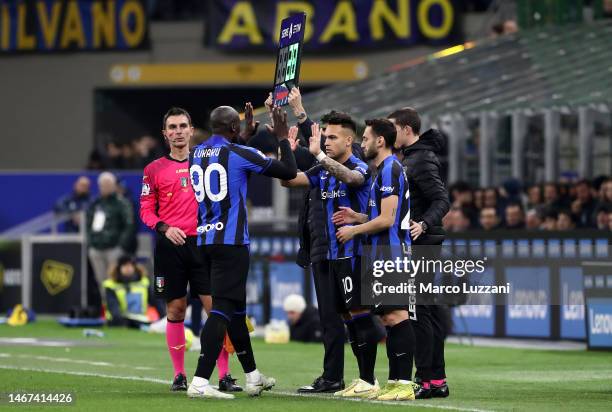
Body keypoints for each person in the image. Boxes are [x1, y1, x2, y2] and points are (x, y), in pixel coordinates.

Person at [187, 105, 297, 399]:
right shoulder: (238, 153)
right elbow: (288, 170)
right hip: (231, 242)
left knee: (236, 312)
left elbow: (227, 160)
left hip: (205, 241)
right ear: (234, 129)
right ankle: (199, 381)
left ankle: (253, 377)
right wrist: (283, 138)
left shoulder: (195, 153)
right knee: (222, 309)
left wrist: (242, 135)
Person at [139, 107, 240, 393]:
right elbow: (145, 209)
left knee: (215, 309)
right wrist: (163, 227)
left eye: (183, 126)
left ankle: (224, 374)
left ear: (192, 130)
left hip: (205, 244)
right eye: (172, 127)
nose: (178, 131)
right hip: (170, 246)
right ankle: (179, 374)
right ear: (165, 133)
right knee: (176, 307)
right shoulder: (153, 169)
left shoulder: (206, 161)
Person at [281, 115, 375, 398]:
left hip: (352, 254)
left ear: (350, 140)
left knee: (359, 315)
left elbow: (352, 179)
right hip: (327, 254)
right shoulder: (321, 169)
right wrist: (285, 147)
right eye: (325, 137)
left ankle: (368, 379)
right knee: (337, 318)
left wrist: (319, 155)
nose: (326, 141)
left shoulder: (358, 165)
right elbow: (290, 180)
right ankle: (340, 378)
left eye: (333, 137)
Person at [334, 119, 416, 401]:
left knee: (396, 316)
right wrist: (359, 217)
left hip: (390, 253)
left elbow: (388, 219)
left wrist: (353, 229)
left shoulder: (391, 168)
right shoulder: (382, 170)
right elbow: (382, 216)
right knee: (388, 317)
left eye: (366, 138)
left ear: (380, 141)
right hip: (379, 253)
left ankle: (404, 382)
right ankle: (395, 381)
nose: (363, 143)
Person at [388, 107, 450, 399]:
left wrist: (423, 224)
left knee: (418, 310)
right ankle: (434, 379)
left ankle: (427, 378)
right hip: (422, 241)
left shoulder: (421, 159)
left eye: (393, 129)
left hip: (423, 242)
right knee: (423, 310)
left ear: (406, 129)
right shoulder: (412, 157)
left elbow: (441, 199)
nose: (390, 135)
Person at [86, 171, 134, 298]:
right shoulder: (95, 203)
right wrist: (91, 242)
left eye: (108, 184)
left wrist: (120, 246)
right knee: (101, 281)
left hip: (114, 248)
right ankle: (106, 308)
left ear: (114, 185)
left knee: (114, 280)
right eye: (103, 185)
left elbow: (129, 225)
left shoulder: (122, 203)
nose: (105, 187)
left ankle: (118, 309)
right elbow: (88, 223)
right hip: (96, 248)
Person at [103, 255, 151, 327]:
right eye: (125, 265)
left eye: (130, 265)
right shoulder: (111, 285)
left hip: (140, 321)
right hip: (119, 322)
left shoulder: (144, 282)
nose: (128, 268)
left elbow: (157, 301)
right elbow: (113, 307)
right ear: (119, 268)